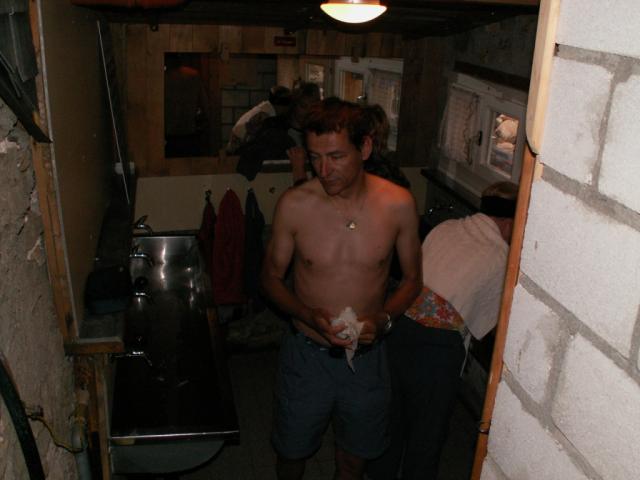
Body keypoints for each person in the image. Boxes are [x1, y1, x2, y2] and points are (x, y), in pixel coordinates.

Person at [262, 99, 422, 480]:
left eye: (336, 157)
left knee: (353, 461)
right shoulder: (294, 205)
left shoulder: (398, 204)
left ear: (364, 148)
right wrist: (306, 315)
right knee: (292, 454)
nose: (323, 170)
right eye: (315, 158)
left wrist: (383, 320)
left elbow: (413, 280)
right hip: (307, 355)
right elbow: (270, 278)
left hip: (367, 361)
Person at [367, 181, 518, 480]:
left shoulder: (446, 227)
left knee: (391, 421)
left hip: (398, 331)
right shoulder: (501, 256)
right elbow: (488, 326)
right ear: (509, 222)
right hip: (437, 351)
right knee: (427, 434)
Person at [226, 85, 292, 154]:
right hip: (237, 150)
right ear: (283, 105)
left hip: (238, 147)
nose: (287, 110)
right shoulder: (268, 115)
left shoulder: (266, 106)